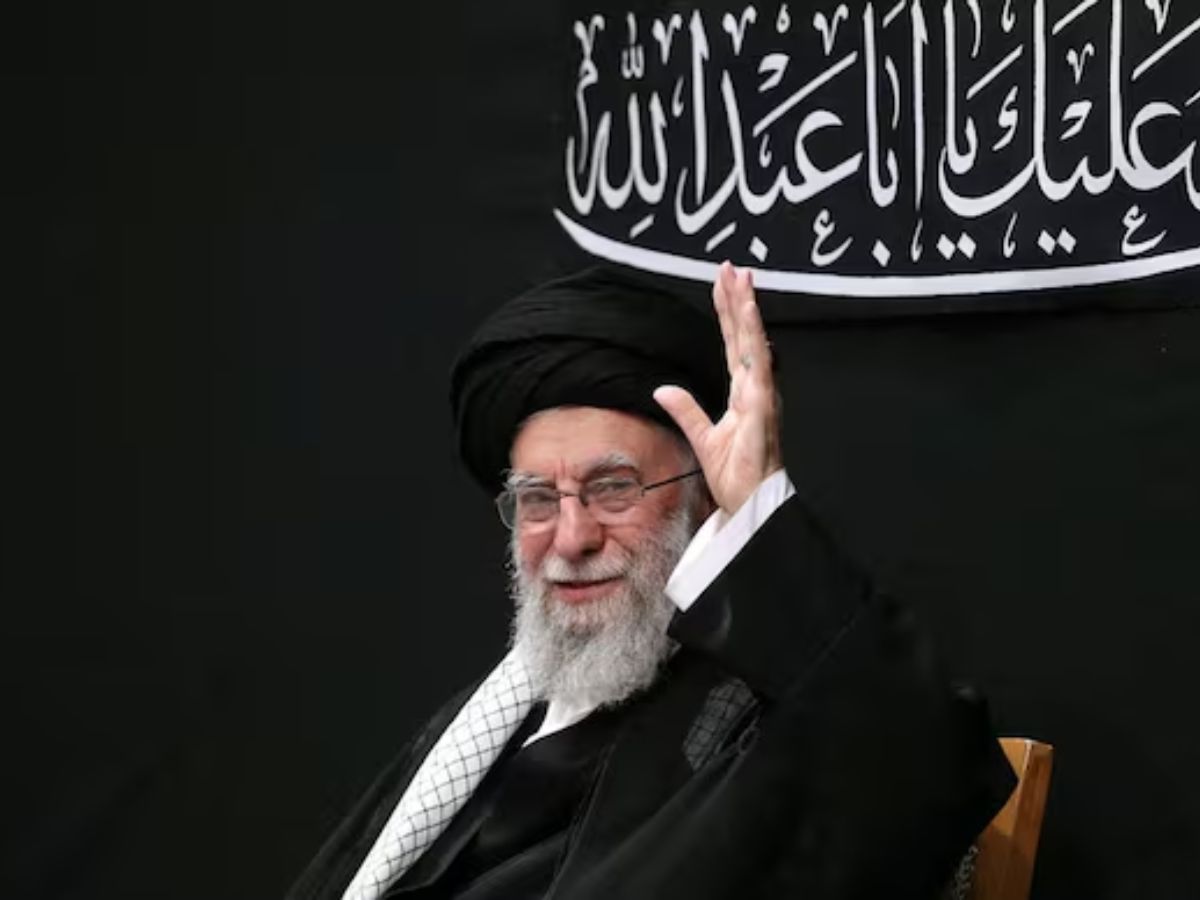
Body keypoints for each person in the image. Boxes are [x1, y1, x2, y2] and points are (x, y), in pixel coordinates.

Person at [287, 263, 1015, 900]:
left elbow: (928, 772)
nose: (571, 537)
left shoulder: (752, 727)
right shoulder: (484, 722)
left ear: (700, 496)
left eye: (614, 488)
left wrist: (758, 517)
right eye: (537, 499)